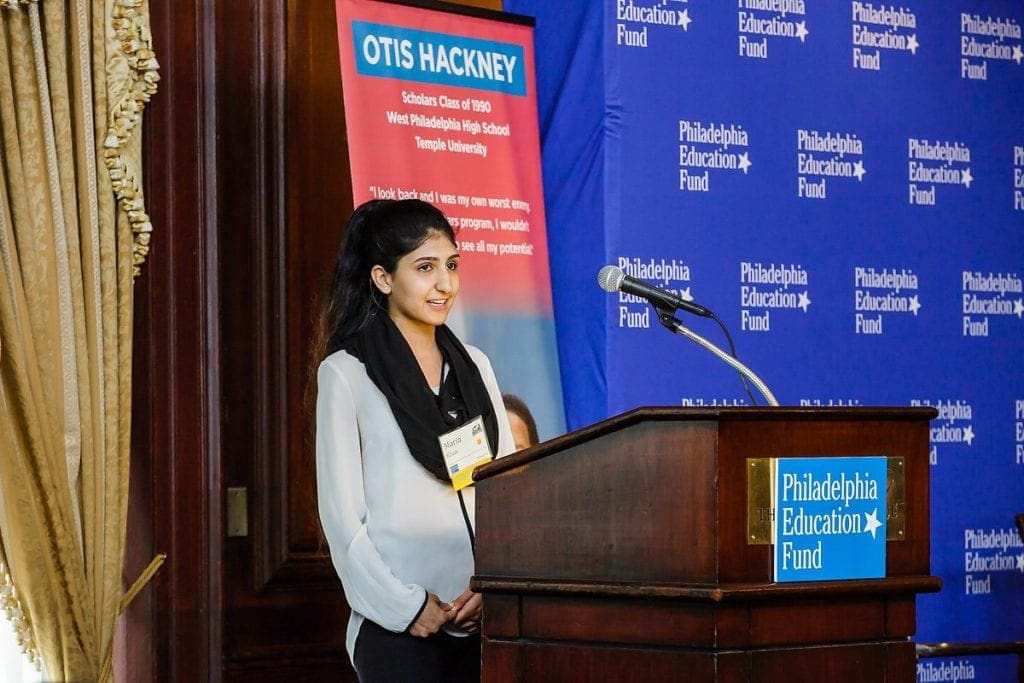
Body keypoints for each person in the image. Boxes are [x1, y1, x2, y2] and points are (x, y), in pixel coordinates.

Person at [313, 199, 514, 682]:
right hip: (396, 624)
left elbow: (508, 491)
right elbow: (343, 523)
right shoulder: (347, 374)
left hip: (479, 616)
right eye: (425, 268)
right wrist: (404, 606)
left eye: (451, 265)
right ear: (383, 279)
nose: (445, 283)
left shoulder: (475, 366)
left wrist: (494, 586)